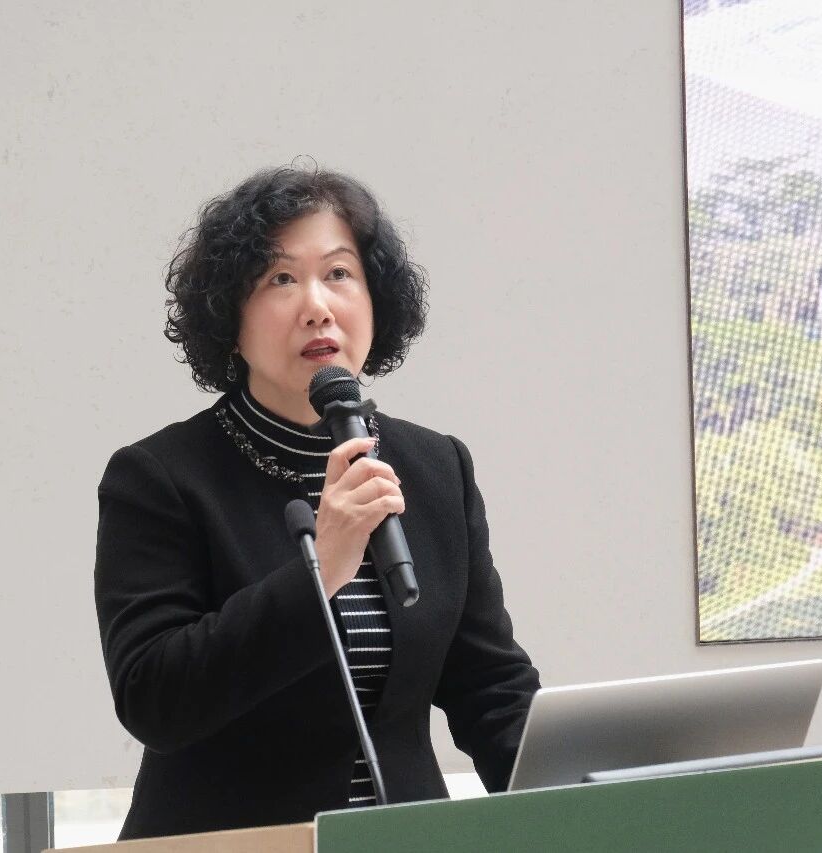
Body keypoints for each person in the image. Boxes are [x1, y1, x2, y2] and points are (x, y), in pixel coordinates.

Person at [94, 164, 540, 841]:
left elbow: (490, 690)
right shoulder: (161, 477)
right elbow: (154, 697)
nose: (317, 305)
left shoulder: (435, 467)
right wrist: (322, 567)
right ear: (229, 316)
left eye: (338, 273)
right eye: (280, 278)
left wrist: (591, 805)